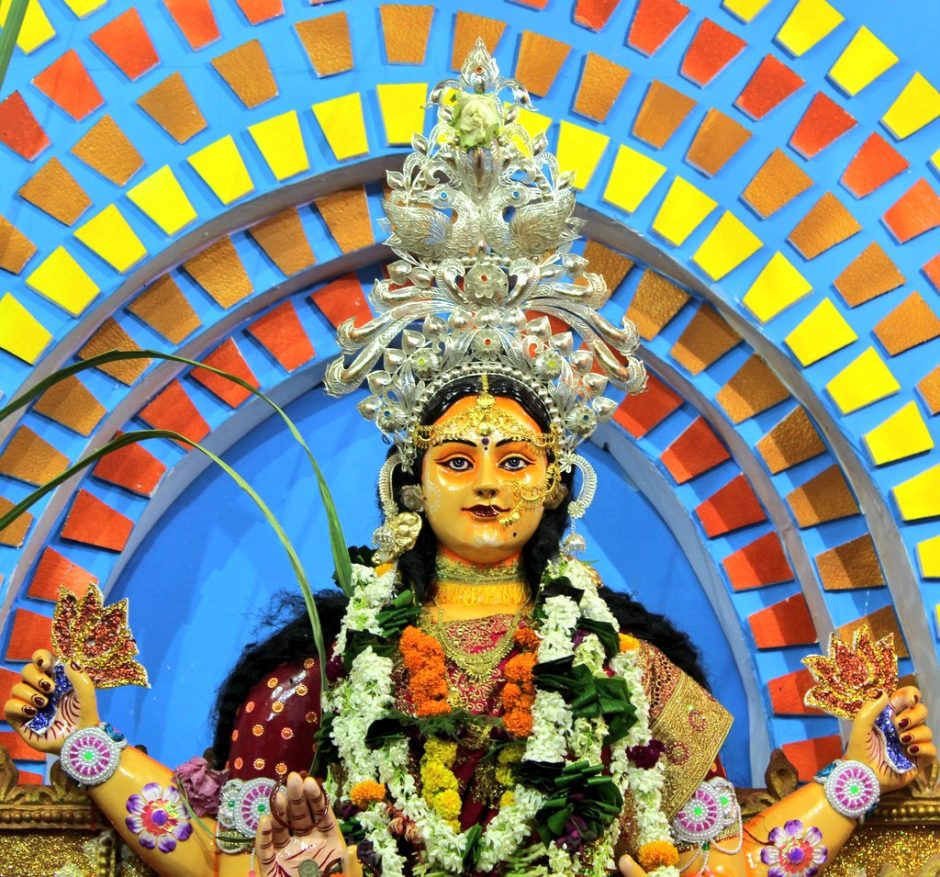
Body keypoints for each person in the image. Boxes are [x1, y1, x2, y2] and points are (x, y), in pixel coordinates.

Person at [3, 41, 934, 877]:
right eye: (457, 458)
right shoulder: (324, 674)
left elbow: (720, 867)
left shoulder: (633, 675)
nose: (489, 479)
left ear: (560, 482)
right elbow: (220, 864)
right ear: (407, 482)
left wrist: (861, 772)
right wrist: (89, 746)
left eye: (516, 459)